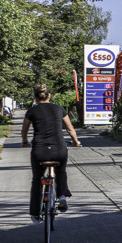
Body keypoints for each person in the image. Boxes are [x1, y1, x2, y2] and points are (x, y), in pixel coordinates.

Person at [21, 84, 82, 221]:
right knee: (60, 171)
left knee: (37, 179)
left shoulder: (31, 111)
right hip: (58, 149)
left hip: (39, 151)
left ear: (35, 98)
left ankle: (35, 213)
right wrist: (76, 141)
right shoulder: (59, 109)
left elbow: (24, 130)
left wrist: (25, 141)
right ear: (49, 96)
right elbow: (70, 129)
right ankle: (61, 196)